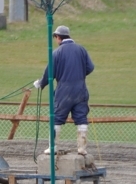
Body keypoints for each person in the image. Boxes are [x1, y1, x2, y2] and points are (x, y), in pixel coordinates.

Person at [33, 25, 94, 155]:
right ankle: (82, 148)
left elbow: (49, 74)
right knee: (81, 118)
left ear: (58, 37)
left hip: (64, 90)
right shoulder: (81, 49)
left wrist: (40, 83)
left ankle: (53, 147)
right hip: (81, 90)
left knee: (56, 118)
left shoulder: (56, 53)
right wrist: (79, 75)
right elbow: (90, 67)